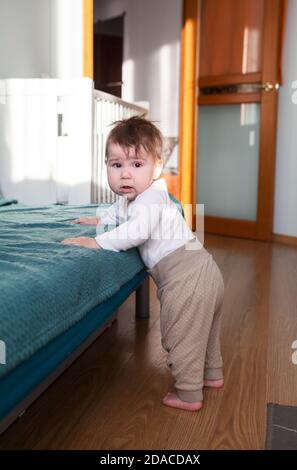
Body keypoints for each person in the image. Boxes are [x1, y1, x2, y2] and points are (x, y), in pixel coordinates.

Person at [61, 116, 225, 411]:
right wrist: (100, 221)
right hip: (206, 271)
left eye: (137, 165)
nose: (126, 175)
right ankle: (212, 374)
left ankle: (189, 394)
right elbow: (120, 212)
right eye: (116, 165)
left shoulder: (152, 198)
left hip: (186, 280)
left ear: (157, 167)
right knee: (206, 330)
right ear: (107, 167)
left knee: (182, 334)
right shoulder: (135, 198)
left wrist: (98, 241)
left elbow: (137, 230)